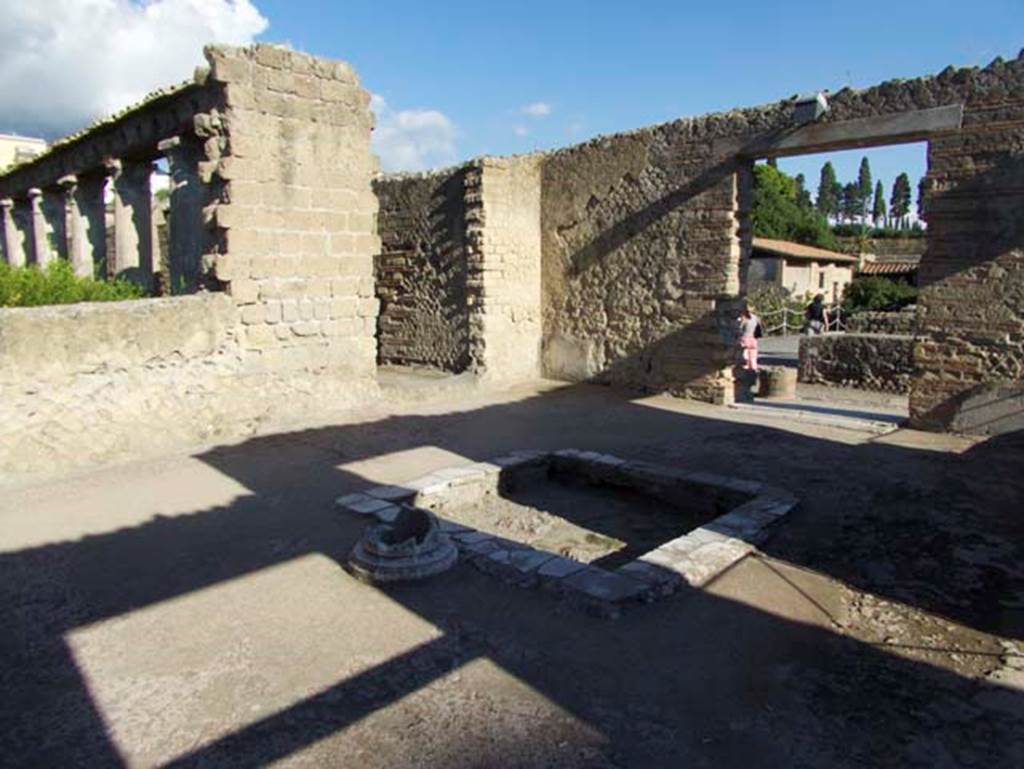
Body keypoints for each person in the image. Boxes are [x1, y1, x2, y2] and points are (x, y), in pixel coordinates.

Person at [736, 307, 760, 372]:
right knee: (753, 355)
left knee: (745, 354)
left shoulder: (745, 318)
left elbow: (740, 328)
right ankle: (753, 368)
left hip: (746, 337)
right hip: (754, 338)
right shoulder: (756, 318)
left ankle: (747, 367)